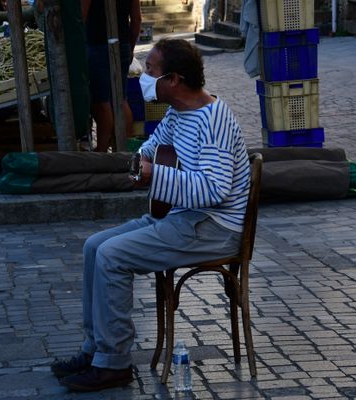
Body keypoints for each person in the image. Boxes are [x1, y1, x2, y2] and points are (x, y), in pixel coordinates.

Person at [50, 38, 251, 392]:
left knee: (113, 257)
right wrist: (138, 162)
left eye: (151, 72)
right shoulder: (177, 111)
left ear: (174, 79)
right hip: (181, 218)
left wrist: (154, 175)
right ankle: (94, 348)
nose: (144, 78)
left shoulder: (214, 119)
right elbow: (152, 147)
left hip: (213, 226)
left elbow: (214, 189)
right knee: (94, 247)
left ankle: (113, 363)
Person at [82, 0, 141, 152]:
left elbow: (81, 17)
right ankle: (124, 148)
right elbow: (136, 20)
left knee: (101, 101)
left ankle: (102, 151)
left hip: (97, 45)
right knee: (120, 98)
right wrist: (130, 47)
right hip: (122, 44)